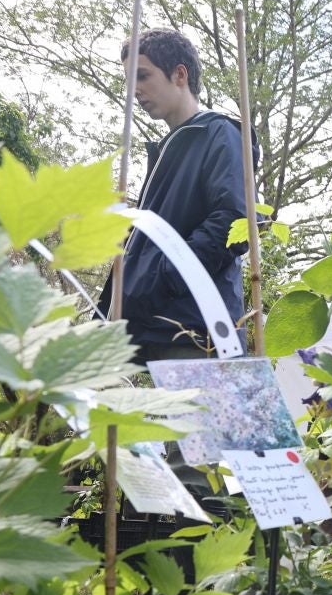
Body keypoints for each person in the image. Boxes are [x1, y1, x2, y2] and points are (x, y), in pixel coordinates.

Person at [99, 28, 252, 363]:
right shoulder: (172, 147)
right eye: (128, 80)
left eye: (142, 76)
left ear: (179, 74)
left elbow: (235, 222)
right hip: (160, 329)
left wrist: (159, 277)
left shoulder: (218, 133)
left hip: (197, 332)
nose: (133, 91)